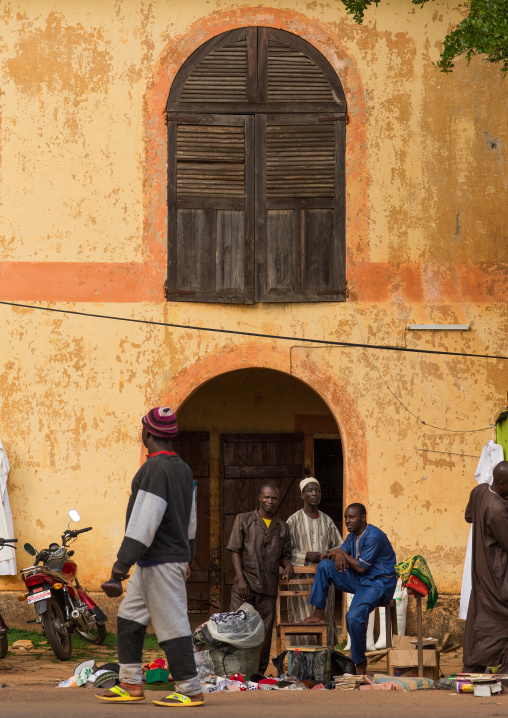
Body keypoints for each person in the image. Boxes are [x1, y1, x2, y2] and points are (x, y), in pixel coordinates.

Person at [97, 407, 204, 707]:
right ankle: (131, 683)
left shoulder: (155, 470)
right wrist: (189, 557)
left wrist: (121, 565)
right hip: (156, 562)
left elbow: (145, 519)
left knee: (172, 626)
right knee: (129, 619)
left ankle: (191, 689)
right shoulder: (183, 469)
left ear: (147, 434)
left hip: (160, 562)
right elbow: (191, 520)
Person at [301, 503, 396, 674]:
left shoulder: (374, 535)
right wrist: (335, 553)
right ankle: (318, 612)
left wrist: (340, 552)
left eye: (351, 517)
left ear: (363, 518)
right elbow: (339, 553)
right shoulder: (352, 536)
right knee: (325, 566)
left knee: (353, 617)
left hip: (378, 583)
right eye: (345, 517)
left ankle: (359, 663)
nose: (347, 521)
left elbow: (361, 567)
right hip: (361, 580)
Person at [227, 484, 294, 673]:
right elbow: (235, 550)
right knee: (238, 628)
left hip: (268, 587)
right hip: (245, 584)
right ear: (259, 497)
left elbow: (283, 554)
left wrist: (287, 564)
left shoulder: (282, 527)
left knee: (263, 633)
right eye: (266, 497)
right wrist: (240, 579)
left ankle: (258, 672)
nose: (270, 501)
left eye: (273, 498)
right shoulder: (243, 520)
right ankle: (236, 671)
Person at [462, 460, 508, 675]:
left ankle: (473, 666)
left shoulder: (479, 491)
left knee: (481, 619)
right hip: (497, 573)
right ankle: (502, 670)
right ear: (502, 484)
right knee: (500, 620)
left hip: (482, 569)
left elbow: (469, 516)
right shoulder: (497, 509)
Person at [286, 478, 342, 645]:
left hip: (325, 581)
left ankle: (325, 663)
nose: (314, 494)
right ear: (302, 495)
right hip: (300, 583)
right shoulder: (293, 521)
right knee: (301, 620)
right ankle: (301, 662)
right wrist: (305, 556)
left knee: (325, 621)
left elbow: (339, 547)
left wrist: (329, 554)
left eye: (317, 491)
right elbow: (284, 552)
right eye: (310, 490)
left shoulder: (327, 521)